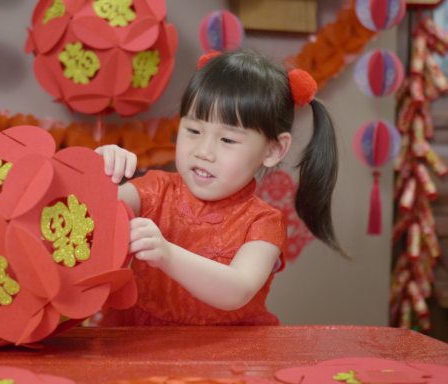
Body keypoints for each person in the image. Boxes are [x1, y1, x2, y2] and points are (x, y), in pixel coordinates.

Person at [94, 49, 344, 326]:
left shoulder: (263, 223)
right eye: (193, 131)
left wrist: (167, 254)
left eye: (227, 140)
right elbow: (94, 214)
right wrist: (100, 175)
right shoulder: (154, 189)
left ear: (273, 149)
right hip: (140, 342)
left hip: (225, 356)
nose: (203, 151)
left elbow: (237, 289)